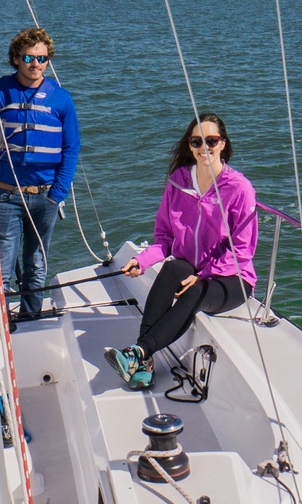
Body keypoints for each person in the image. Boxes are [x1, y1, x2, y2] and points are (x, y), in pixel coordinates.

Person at [104, 112, 256, 391]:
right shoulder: (178, 181)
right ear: (190, 145)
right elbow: (165, 239)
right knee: (173, 268)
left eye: (211, 140)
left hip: (232, 277)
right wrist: (142, 260)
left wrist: (205, 276)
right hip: (193, 268)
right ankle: (144, 361)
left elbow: (242, 251)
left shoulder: (239, 189)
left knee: (195, 291)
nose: (204, 147)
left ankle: (138, 353)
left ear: (223, 143)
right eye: (197, 141)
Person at [0, 27, 79, 322]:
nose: (36, 64)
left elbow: (72, 148)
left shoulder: (61, 100)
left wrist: (57, 194)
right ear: (15, 58)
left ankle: (32, 319)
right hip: (6, 195)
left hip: (45, 196)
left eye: (42, 58)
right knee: (3, 264)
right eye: (29, 57)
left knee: (36, 264)